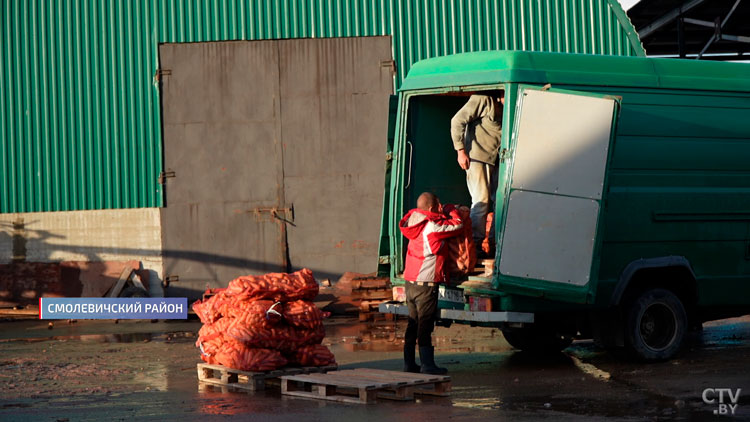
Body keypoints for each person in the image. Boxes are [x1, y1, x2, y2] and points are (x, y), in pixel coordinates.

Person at [399, 192, 464, 375]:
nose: (440, 208)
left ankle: (409, 364)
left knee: (413, 323)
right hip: (425, 283)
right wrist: (451, 210)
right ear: (430, 208)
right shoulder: (432, 226)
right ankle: (428, 365)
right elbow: (457, 225)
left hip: (410, 281)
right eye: (437, 206)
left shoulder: (413, 221)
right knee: (425, 325)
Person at [450, 92, 504, 256]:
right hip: (478, 157)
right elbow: (457, 120)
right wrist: (460, 151)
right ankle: (475, 245)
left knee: (499, 200)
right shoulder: (484, 100)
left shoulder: (509, 107)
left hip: (498, 159)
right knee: (481, 200)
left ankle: (494, 244)